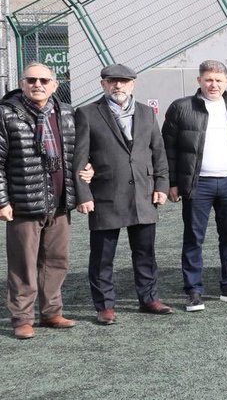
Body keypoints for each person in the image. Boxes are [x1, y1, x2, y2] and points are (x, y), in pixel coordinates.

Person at [74, 63, 172, 323]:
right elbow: (79, 158)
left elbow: (158, 152)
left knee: (145, 253)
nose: (118, 85)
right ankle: (104, 306)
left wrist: (161, 185)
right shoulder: (86, 113)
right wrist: (83, 193)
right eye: (112, 81)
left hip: (143, 195)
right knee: (102, 256)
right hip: (105, 196)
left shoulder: (147, 113)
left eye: (124, 81)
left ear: (133, 84)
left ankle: (149, 298)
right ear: (103, 83)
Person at [162, 60, 227, 313]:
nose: (214, 85)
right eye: (209, 80)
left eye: (218, 80)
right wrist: (172, 182)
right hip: (196, 184)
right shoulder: (181, 108)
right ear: (199, 81)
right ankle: (193, 290)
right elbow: (167, 147)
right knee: (194, 238)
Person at [1, 65, 84, 339]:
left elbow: (75, 154)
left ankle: (51, 312)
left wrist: (88, 170)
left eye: (44, 80)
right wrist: (3, 201)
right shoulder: (6, 113)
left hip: (59, 202)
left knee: (57, 260)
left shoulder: (67, 113)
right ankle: (22, 318)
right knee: (23, 264)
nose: (38, 84)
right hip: (24, 204)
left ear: (54, 84)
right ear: (22, 83)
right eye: (32, 79)